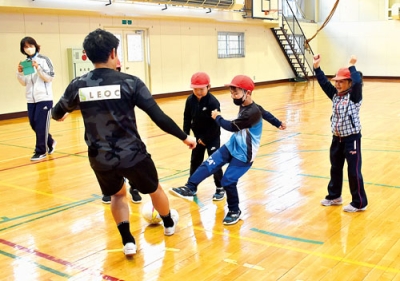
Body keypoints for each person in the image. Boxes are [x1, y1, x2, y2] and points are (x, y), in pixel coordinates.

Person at [51, 28, 196, 257]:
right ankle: (168, 224)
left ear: (88, 56)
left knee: (117, 196)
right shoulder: (130, 82)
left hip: (100, 157)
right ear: (113, 52)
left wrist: (63, 114)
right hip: (132, 154)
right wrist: (184, 137)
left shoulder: (78, 85)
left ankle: (128, 241)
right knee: (154, 189)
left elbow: (56, 113)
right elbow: (158, 116)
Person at [170, 75, 263, 225]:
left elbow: (231, 126)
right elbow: (268, 115)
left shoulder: (252, 112)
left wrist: (217, 117)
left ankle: (234, 210)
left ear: (248, 93)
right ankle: (190, 187)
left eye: (236, 93)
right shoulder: (246, 105)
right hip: (232, 145)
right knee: (209, 163)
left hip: (244, 154)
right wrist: (278, 123)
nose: (233, 96)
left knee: (228, 180)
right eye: (232, 93)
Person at [313, 54, 367, 212]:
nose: (337, 84)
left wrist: (352, 66)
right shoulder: (336, 95)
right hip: (337, 139)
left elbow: (358, 83)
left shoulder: (354, 97)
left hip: (352, 139)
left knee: (353, 171)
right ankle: (334, 196)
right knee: (335, 167)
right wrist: (317, 67)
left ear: (349, 83)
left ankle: (359, 202)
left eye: (341, 81)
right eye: (336, 81)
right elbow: (324, 83)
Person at [101, 58, 142, 205]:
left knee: (130, 160)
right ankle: (110, 190)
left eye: (117, 70)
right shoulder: (100, 86)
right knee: (110, 162)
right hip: (106, 134)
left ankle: (134, 188)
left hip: (126, 132)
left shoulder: (126, 85)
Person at [183, 72, 225, 201]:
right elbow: (187, 117)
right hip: (197, 137)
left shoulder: (213, 102)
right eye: (195, 89)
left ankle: (220, 187)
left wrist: (205, 139)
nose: (198, 92)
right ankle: (192, 186)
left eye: (201, 89)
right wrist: (185, 136)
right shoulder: (190, 100)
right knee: (195, 161)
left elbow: (215, 124)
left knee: (214, 162)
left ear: (209, 87)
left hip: (211, 136)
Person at [17, 36, 56, 161]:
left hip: (44, 98)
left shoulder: (44, 60)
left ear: (35, 46)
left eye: (30, 46)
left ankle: (41, 151)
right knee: (33, 124)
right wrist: (19, 73)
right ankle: (50, 142)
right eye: (26, 47)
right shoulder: (26, 63)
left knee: (40, 125)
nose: (29, 49)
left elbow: (50, 77)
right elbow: (24, 83)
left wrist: (38, 67)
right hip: (31, 99)